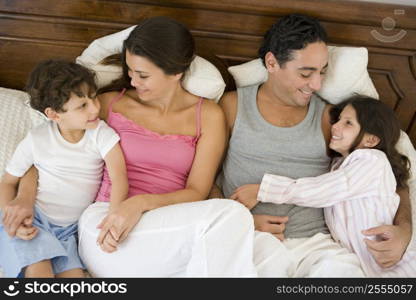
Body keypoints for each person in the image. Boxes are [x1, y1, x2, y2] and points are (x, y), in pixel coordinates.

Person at [213, 14, 412, 276]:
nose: (316, 84)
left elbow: (390, 178)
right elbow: (207, 182)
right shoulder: (232, 106)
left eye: (322, 72)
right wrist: (240, 222)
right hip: (251, 239)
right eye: (306, 73)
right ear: (272, 63)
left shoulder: (332, 119)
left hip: (318, 246)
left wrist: (404, 231)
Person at [72, 16, 255, 277]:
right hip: (107, 223)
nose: (134, 81)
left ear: (176, 72)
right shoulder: (108, 104)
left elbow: (197, 190)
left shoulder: (209, 115)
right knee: (231, 220)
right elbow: (52, 142)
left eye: (143, 75)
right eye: (130, 71)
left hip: (171, 225)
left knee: (252, 242)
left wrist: (140, 204)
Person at [233, 96, 416, 277]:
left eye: (348, 123)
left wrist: (264, 190)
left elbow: (323, 190)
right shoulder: (339, 165)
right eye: (338, 120)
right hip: (369, 267)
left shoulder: (372, 160)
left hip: (398, 267)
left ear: (370, 140)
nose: (335, 126)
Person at [0, 60, 128, 278]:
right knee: (39, 273)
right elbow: (7, 182)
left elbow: (120, 178)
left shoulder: (101, 133)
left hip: (70, 232)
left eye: (93, 97)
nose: (95, 108)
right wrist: (10, 216)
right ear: (54, 114)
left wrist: (113, 218)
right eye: (82, 106)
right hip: (35, 219)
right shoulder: (37, 139)